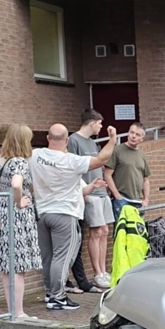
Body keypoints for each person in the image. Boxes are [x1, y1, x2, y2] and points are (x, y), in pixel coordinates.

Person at [30, 124, 116, 311]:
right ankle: (58, 297)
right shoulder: (71, 161)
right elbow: (101, 159)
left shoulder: (35, 155)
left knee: (48, 257)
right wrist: (112, 139)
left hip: (42, 213)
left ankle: (49, 293)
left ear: (47, 138)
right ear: (67, 140)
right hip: (65, 214)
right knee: (61, 258)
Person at [0, 124, 42, 319]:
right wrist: (18, 201)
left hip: (2, 213)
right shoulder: (20, 162)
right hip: (18, 217)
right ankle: (19, 312)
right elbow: (16, 184)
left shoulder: (0, 161)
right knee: (18, 266)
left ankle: (12, 310)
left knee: (7, 266)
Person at [68, 109, 113, 290]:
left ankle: (103, 271)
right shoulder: (74, 140)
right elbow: (72, 167)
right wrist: (83, 191)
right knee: (96, 232)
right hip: (89, 192)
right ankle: (97, 273)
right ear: (92, 122)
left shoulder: (92, 143)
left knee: (104, 231)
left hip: (100, 192)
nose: (101, 127)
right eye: (99, 123)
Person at [104, 122, 150, 221]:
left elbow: (145, 180)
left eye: (138, 135)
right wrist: (117, 195)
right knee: (121, 232)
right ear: (128, 133)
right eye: (132, 132)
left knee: (137, 234)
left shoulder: (142, 155)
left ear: (142, 139)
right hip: (122, 200)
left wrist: (146, 199)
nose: (133, 136)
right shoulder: (117, 150)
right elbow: (107, 175)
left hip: (138, 202)